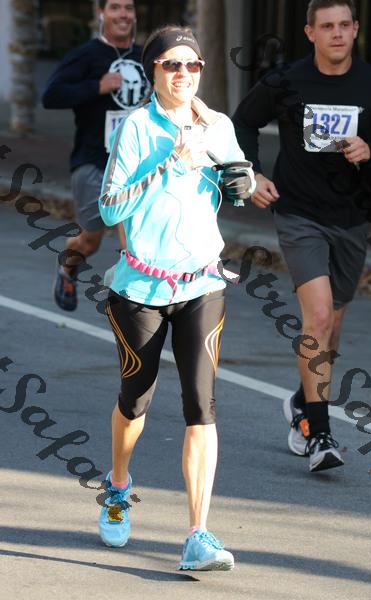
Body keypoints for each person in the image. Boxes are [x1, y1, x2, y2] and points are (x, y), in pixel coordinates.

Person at [97, 25, 254, 570]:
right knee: (135, 400)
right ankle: (118, 486)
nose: (183, 73)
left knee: (201, 404)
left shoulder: (218, 125)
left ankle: (198, 535)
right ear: (153, 72)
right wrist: (169, 164)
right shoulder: (137, 127)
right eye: (171, 64)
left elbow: (238, 179)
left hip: (202, 283)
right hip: (139, 288)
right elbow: (110, 209)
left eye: (192, 64)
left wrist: (242, 183)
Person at [232, 0, 371, 472]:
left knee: (331, 328)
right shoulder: (286, 81)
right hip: (299, 214)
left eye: (344, 25)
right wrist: (251, 172)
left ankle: (303, 402)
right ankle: (319, 434)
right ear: (310, 33)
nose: (337, 33)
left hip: (352, 217)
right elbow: (242, 122)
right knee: (319, 316)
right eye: (327, 26)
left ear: (356, 29)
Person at [42, 0, 150, 311]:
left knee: (134, 241)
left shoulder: (145, 57)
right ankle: (68, 265)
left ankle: (137, 308)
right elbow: (51, 96)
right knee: (89, 241)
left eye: (128, 8)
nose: (123, 14)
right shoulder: (86, 55)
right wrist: (96, 86)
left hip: (137, 166)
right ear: (101, 13)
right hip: (94, 161)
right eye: (115, 7)